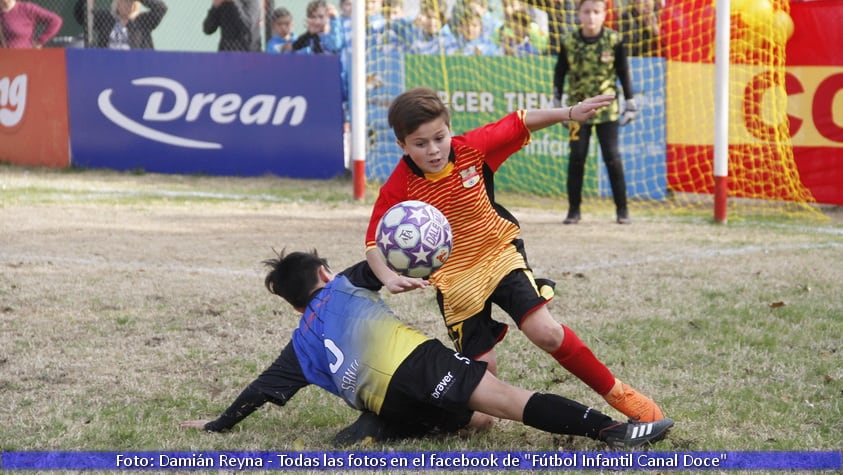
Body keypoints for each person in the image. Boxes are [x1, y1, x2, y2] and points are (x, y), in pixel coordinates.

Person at [363, 87, 664, 424]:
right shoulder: (399, 187)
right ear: (402, 146)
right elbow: (373, 242)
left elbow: (520, 122)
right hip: (456, 282)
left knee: (545, 332)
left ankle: (617, 392)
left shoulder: (471, 149)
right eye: (420, 144)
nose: (433, 150)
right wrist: (389, 278)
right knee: (483, 392)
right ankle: (422, 417)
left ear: (449, 128)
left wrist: (569, 112)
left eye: (439, 137)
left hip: (498, 255)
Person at [180, 249, 674, 449]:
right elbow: (401, 260)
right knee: (506, 402)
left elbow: (259, 391)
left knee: (476, 422)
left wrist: (216, 424)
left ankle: (385, 424)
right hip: (416, 363)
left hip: (384, 396)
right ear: (324, 275)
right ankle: (611, 430)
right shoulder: (345, 285)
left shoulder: (298, 348)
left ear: (293, 306)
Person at [553, 0, 637, 224]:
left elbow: (623, 71)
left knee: (612, 157)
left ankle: (622, 210)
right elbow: (560, 72)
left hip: (607, 111)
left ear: (604, 15)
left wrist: (630, 102)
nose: (591, 16)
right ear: (579, 15)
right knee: (577, 157)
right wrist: (557, 101)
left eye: (596, 12)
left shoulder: (614, 40)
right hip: (576, 111)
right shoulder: (569, 41)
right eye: (586, 12)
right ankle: (573, 211)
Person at [74, 0, 167, 50]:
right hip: (109, 62)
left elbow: (161, 8)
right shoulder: (106, 18)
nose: (128, 4)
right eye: (125, 1)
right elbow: (81, 16)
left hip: (134, 63)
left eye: (131, 1)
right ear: (118, 3)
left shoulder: (141, 21)